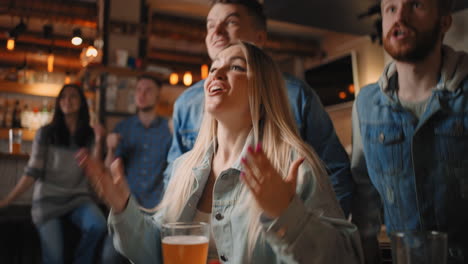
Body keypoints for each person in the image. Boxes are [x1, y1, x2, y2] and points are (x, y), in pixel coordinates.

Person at [78, 41, 364, 264]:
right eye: (214, 67)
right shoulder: (183, 168)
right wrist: (123, 208)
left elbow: (346, 258)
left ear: (263, 91)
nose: (216, 72)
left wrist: (287, 216)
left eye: (237, 67)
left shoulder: (293, 165)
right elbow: (158, 252)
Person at [165, 0, 354, 217]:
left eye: (231, 22)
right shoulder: (186, 102)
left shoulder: (297, 96)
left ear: (260, 37)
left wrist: (321, 233)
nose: (216, 32)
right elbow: (173, 179)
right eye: (210, 25)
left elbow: (333, 171)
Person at [351, 0, 468, 263]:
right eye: (390, 8)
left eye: (416, 5)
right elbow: (363, 200)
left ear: (445, 21)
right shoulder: (365, 105)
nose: (399, 17)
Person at [0, 84, 107, 264]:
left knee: (98, 225)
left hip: (77, 199)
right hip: (48, 201)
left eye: (73, 96)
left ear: (82, 103)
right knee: (55, 259)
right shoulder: (46, 133)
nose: (67, 100)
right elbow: (32, 172)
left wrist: (99, 140)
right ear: (58, 103)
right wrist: (5, 202)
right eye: (63, 97)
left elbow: (94, 171)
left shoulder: (88, 135)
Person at [105, 74, 172, 209]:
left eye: (148, 90)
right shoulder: (122, 128)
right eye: (138, 89)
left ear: (158, 96)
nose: (142, 94)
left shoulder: (169, 129)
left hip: (160, 204)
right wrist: (110, 149)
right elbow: (109, 169)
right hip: (128, 202)